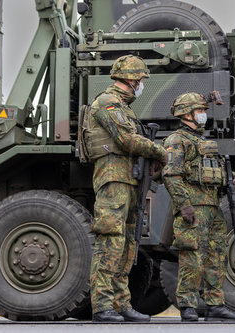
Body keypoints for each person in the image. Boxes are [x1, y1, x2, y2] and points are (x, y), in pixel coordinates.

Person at [87, 55, 167, 322]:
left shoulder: (124, 107)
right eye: (142, 80)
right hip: (113, 179)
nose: (143, 84)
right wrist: (161, 151)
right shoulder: (107, 102)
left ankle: (122, 303)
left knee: (127, 243)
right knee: (110, 240)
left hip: (128, 180)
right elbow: (127, 140)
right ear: (132, 79)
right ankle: (102, 305)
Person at [162, 92, 235, 322]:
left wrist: (232, 178)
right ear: (187, 114)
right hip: (193, 208)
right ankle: (187, 305)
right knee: (192, 257)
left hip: (213, 207)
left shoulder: (203, 142)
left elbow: (215, 170)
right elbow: (172, 175)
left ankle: (215, 304)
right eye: (199, 111)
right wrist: (184, 205)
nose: (203, 115)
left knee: (216, 256)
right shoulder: (177, 141)